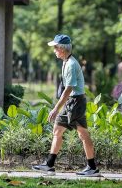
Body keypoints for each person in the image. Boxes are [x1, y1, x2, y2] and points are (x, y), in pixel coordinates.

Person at [32, 34, 100, 177]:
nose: (54, 50)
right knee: (83, 134)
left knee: (58, 130)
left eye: (56, 47)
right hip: (77, 101)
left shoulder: (70, 64)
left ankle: (50, 165)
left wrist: (56, 109)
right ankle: (92, 167)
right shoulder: (67, 62)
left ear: (62, 49)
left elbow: (68, 89)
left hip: (74, 102)